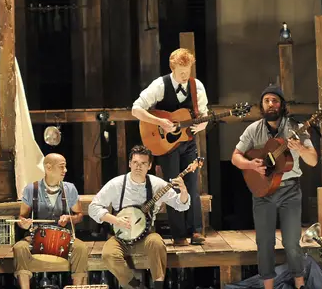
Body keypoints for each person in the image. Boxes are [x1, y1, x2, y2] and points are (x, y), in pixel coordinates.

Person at [231, 85, 318, 289]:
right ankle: (268, 287)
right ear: (262, 105)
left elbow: (313, 161)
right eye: (267, 100)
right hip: (262, 191)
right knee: (264, 243)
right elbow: (236, 157)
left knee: (292, 243)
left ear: (282, 105)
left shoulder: (296, 129)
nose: (271, 104)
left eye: (275, 100)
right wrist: (251, 164)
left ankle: (300, 285)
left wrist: (302, 149)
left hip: (290, 190)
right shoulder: (254, 129)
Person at [131, 48, 208, 245]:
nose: (185, 74)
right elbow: (136, 109)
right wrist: (159, 121)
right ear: (172, 67)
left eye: (188, 70)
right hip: (165, 145)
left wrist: (202, 124)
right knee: (173, 186)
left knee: (192, 185)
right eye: (181, 70)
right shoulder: (160, 85)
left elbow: (204, 115)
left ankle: (196, 231)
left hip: (187, 142)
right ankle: (179, 234)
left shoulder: (196, 86)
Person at [89, 145, 190, 289]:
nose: (138, 167)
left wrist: (184, 191)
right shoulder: (116, 184)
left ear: (149, 166)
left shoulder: (157, 184)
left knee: (157, 243)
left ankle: (158, 285)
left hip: (146, 236)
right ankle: (135, 285)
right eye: (135, 162)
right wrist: (115, 220)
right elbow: (93, 207)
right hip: (120, 237)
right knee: (108, 254)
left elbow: (181, 205)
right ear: (129, 163)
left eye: (143, 163)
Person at [12, 153, 88, 289]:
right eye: (62, 167)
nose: (65, 170)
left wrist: (70, 218)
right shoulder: (32, 189)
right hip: (36, 237)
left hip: (65, 237)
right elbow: (21, 218)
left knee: (81, 248)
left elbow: (79, 215)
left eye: (65, 167)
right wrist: (23, 223)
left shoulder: (69, 189)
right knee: (19, 248)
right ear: (48, 168)